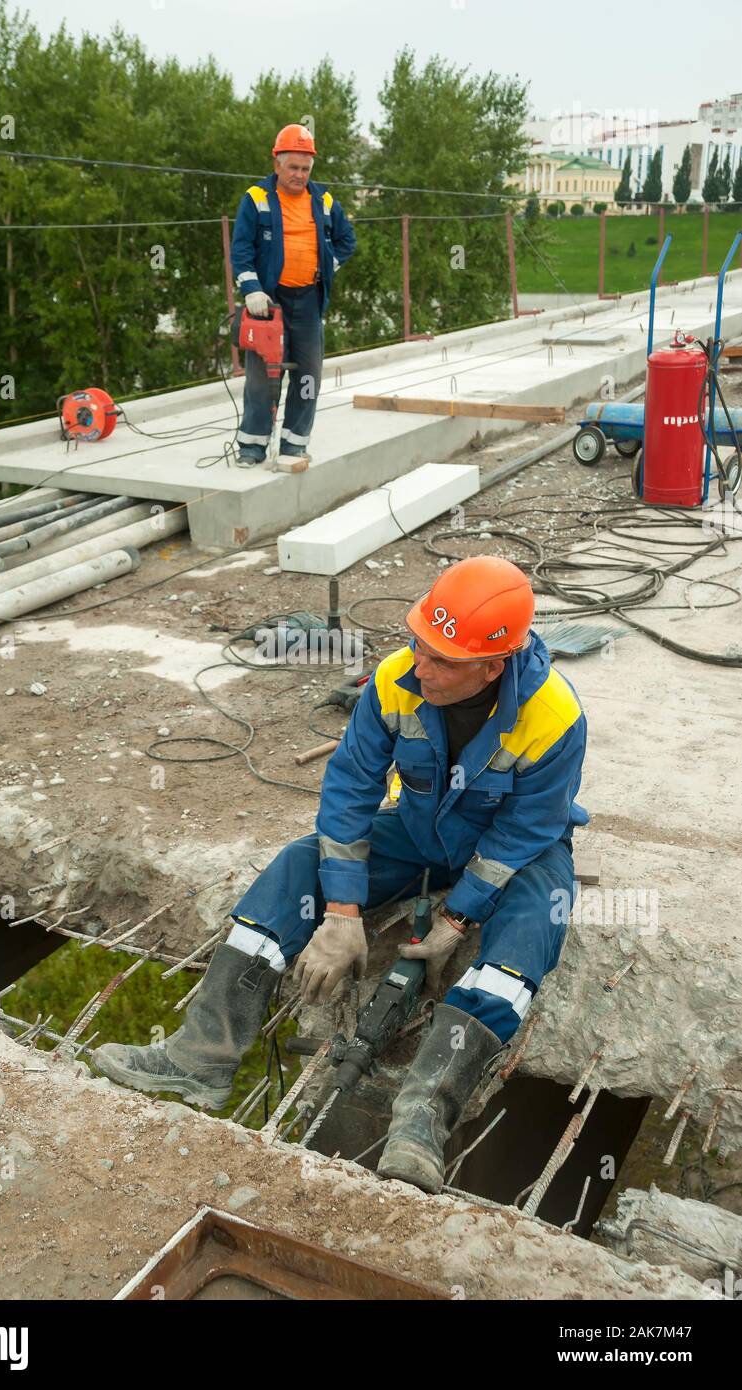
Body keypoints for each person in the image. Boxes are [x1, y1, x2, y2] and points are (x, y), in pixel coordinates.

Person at [94, 556, 588, 1194]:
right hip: (420, 827)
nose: (420, 666)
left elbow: (522, 832)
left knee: (531, 923)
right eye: (417, 644)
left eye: (442, 659)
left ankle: (419, 1121)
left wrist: (456, 919)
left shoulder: (553, 717)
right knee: (302, 862)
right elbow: (351, 790)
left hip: (514, 847)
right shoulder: (393, 681)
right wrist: (343, 915)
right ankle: (200, 1060)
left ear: (492, 667)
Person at [229, 123, 356, 466]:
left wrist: (328, 265)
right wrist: (252, 289)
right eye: (293, 168)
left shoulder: (324, 200)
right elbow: (240, 249)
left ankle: (293, 445)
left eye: (305, 169)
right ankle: (252, 448)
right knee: (262, 376)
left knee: (308, 376)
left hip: (308, 301)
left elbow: (347, 240)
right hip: (269, 304)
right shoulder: (256, 199)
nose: (299, 175)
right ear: (277, 164)